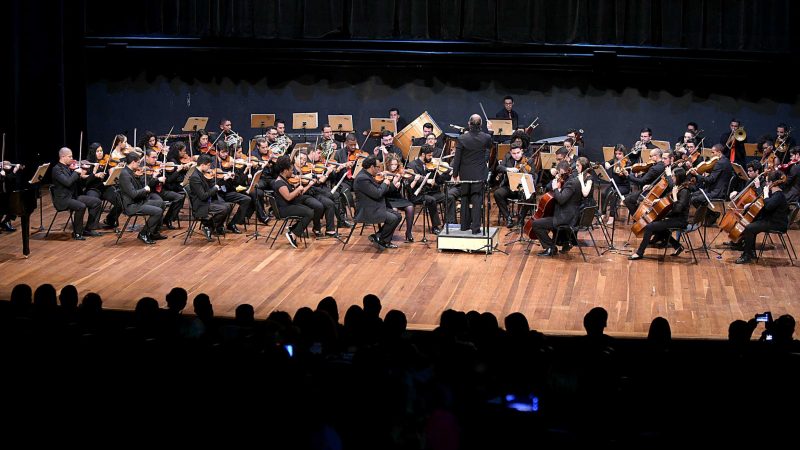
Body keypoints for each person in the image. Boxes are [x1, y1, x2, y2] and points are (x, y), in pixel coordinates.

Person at [629, 167, 691, 260]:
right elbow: (668, 201)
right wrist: (657, 201)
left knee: (650, 226)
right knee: (658, 227)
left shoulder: (685, 191)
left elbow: (677, 209)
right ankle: (677, 246)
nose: (672, 178)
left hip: (680, 220)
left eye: (673, 176)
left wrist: (674, 196)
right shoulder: (678, 187)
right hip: (673, 217)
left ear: (679, 177)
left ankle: (639, 252)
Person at [735, 170, 790, 264]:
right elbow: (765, 206)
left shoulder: (778, 195)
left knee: (749, 228)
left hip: (777, 224)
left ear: (772, 183)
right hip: (770, 220)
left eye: (767, 182)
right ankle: (751, 252)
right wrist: (750, 205)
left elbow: (768, 206)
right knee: (751, 224)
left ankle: (746, 255)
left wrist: (765, 194)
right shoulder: (773, 193)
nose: (766, 184)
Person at [531, 160, 582, 256]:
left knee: (536, 224)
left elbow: (561, 199)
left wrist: (555, 188)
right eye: (559, 173)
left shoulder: (571, 183)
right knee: (544, 220)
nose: (560, 176)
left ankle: (550, 247)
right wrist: (555, 181)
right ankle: (558, 244)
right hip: (566, 214)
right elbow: (549, 187)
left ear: (567, 171)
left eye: (561, 173)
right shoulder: (568, 180)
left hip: (566, 218)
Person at [51, 147, 103, 240]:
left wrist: (84, 174)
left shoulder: (69, 167)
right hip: (63, 199)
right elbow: (67, 182)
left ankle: (88, 228)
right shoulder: (57, 169)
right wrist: (75, 173)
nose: (72, 159)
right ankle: (77, 233)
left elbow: (79, 183)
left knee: (97, 202)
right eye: (70, 157)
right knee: (81, 206)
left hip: (73, 196)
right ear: (63, 157)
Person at [453, 114, 492, 234]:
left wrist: (455, 174)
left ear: (469, 124)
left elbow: (457, 158)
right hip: (479, 173)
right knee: (476, 199)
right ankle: (475, 228)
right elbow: (490, 146)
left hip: (465, 173)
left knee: (464, 198)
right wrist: (491, 132)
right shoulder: (486, 137)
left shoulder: (462, 138)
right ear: (481, 124)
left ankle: (464, 226)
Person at [353, 156, 401, 249]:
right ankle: (383, 241)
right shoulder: (362, 178)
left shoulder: (368, 175)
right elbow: (378, 194)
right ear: (372, 167)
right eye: (378, 167)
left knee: (398, 216)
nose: (380, 169)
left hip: (374, 205)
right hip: (367, 210)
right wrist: (384, 183)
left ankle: (378, 236)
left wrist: (393, 184)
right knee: (393, 218)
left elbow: (379, 190)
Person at [118, 152, 167, 244]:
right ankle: (143, 233)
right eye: (138, 163)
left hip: (139, 201)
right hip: (132, 205)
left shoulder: (130, 172)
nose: (139, 165)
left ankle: (153, 232)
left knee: (162, 204)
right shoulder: (125, 175)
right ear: (133, 162)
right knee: (158, 211)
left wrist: (150, 181)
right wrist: (145, 189)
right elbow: (133, 194)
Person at [271, 155, 315, 248]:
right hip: (284, 209)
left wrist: (297, 188)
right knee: (309, 213)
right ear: (285, 170)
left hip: (288, 206)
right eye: (291, 170)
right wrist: (297, 189)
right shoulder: (279, 183)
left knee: (310, 210)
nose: (292, 172)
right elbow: (288, 197)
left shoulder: (284, 180)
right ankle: (293, 234)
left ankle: (293, 228)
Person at [188, 154, 233, 241]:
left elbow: (212, 185)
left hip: (207, 201)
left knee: (228, 206)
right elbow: (203, 196)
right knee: (223, 209)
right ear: (202, 165)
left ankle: (209, 226)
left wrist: (224, 179)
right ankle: (208, 225)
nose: (209, 168)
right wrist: (215, 188)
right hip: (200, 205)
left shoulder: (202, 173)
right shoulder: (195, 177)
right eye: (208, 165)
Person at [494, 143, 535, 228]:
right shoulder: (507, 157)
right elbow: (498, 168)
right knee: (497, 193)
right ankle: (508, 217)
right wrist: (508, 169)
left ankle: (521, 218)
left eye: (518, 153)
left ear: (522, 151)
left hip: (523, 189)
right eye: (514, 153)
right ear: (510, 152)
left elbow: (533, 176)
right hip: (510, 188)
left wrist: (525, 171)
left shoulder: (529, 161)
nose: (516, 155)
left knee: (530, 196)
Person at [623, 148, 665, 217]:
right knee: (630, 197)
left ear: (656, 156)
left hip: (649, 192)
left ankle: (637, 218)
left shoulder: (654, 168)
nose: (649, 158)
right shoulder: (663, 165)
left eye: (650, 156)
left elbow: (641, 181)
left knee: (627, 200)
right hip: (657, 190)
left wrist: (628, 176)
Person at [601, 144, 630, 226]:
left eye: (620, 154)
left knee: (614, 194)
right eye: (616, 153)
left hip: (624, 186)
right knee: (603, 193)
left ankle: (611, 216)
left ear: (624, 153)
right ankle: (603, 213)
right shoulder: (614, 160)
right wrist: (606, 163)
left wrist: (625, 173)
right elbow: (604, 163)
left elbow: (628, 178)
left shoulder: (628, 163)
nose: (618, 156)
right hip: (614, 184)